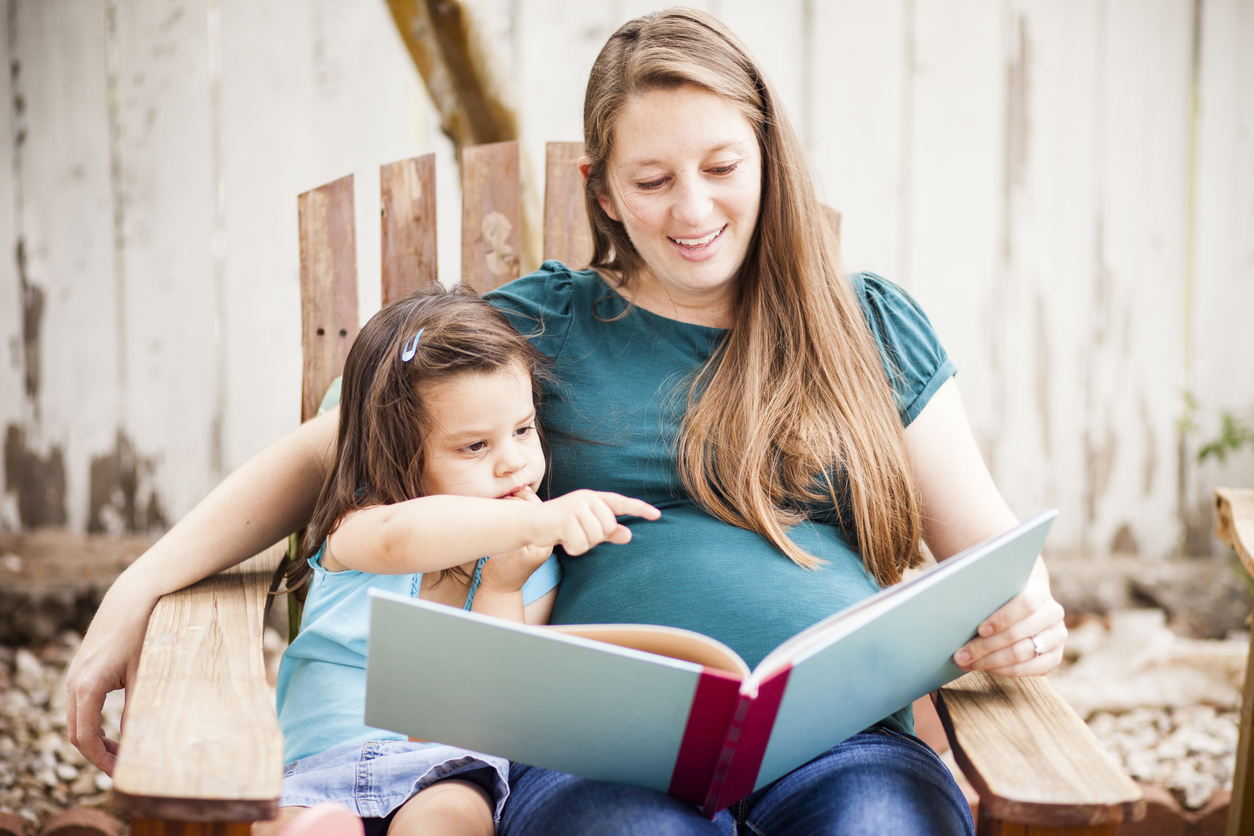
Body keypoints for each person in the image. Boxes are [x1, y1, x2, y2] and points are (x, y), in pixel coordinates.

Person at [67, 7, 1067, 835]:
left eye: (722, 165)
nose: (693, 208)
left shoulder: (867, 324)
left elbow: (999, 563)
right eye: (652, 179)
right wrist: (139, 589)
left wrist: (1029, 618)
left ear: (767, 154)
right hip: (603, 737)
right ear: (601, 190)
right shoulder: (537, 329)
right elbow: (319, 459)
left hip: (845, 735)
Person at [261, 286, 660, 836]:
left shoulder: (529, 562)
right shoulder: (360, 527)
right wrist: (533, 519)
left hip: (447, 771)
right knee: (300, 827)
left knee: (455, 819)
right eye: (475, 447)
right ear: (399, 455)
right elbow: (405, 538)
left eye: (522, 430)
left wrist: (500, 586)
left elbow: (496, 708)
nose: (513, 463)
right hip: (319, 769)